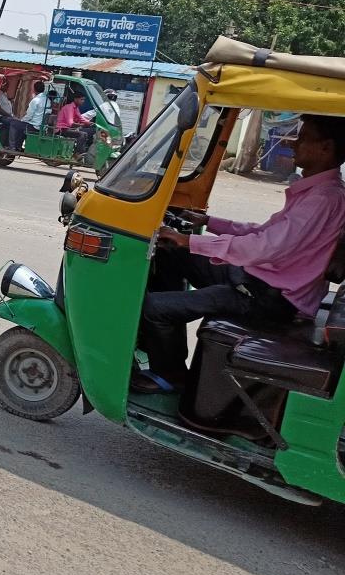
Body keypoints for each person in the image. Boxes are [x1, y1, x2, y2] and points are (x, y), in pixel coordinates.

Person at [134, 114, 345, 392]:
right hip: (257, 280)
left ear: (325, 148)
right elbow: (264, 232)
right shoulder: (318, 192)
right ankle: (162, 331)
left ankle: (171, 374)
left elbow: (265, 247)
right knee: (170, 254)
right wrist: (208, 223)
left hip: (269, 298)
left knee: (152, 308)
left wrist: (190, 241)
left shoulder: (324, 198)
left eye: (302, 138)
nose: (292, 144)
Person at [6, 83, 48, 152]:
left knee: (13, 124)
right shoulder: (47, 100)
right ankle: (18, 146)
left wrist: (21, 120)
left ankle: (12, 147)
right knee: (21, 125)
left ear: (34, 89)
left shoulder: (35, 100)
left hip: (34, 126)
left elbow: (29, 116)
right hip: (41, 127)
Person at [55, 87, 94, 155]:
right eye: (81, 99)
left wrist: (91, 123)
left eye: (84, 100)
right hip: (61, 129)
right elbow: (70, 123)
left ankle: (80, 152)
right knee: (82, 134)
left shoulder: (75, 108)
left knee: (86, 133)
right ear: (76, 99)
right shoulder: (69, 107)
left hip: (67, 128)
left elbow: (81, 118)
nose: (83, 101)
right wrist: (82, 125)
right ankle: (77, 154)